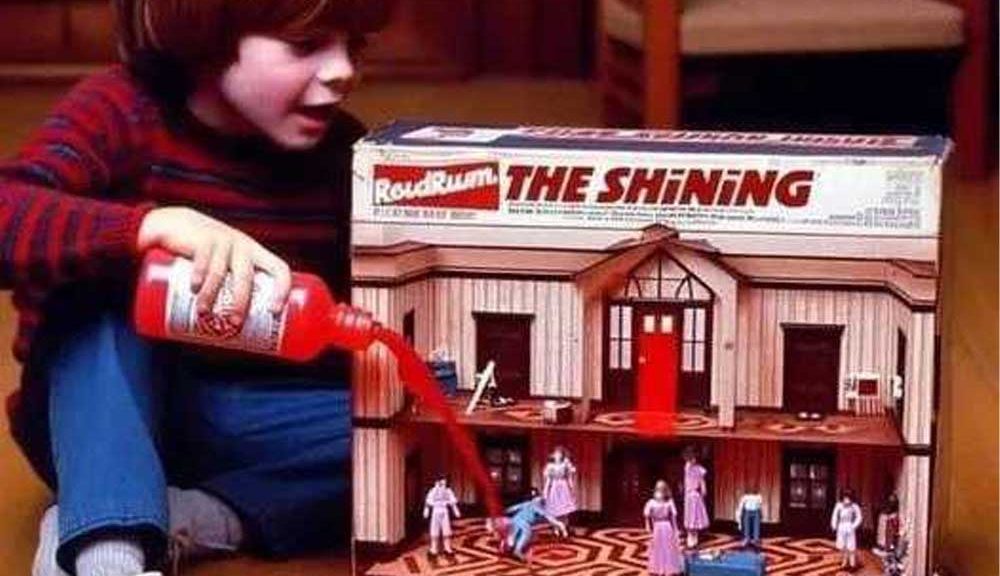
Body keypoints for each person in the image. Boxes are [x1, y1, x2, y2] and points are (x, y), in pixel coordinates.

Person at [0, 1, 389, 575]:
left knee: (426, 425)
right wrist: (144, 229)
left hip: (249, 418)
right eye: (306, 45)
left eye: (354, 45)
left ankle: (195, 518)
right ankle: (109, 549)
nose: (343, 71)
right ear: (208, 37)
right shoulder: (123, 110)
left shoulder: (341, 155)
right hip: (100, 416)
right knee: (101, 298)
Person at [501, 488, 567, 562]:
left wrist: (503, 512)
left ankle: (509, 545)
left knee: (514, 534)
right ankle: (517, 549)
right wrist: (558, 523)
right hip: (523, 523)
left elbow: (512, 509)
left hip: (515, 520)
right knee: (526, 533)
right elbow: (548, 517)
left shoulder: (527, 504)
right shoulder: (537, 508)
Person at [644, 480, 684, 576]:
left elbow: (674, 516)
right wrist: (648, 526)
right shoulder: (651, 502)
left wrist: (675, 529)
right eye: (657, 488)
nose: (659, 491)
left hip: (667, 527)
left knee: (668, 547)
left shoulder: (669, 502)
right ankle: (658, 568)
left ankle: (669, 568)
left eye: (661, 489)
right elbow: (646, 515)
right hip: (657, 527)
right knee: (657, 547)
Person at [542, 446, 577, 534]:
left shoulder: (565, 465)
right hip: (554, 487)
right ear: (553, 455)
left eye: (560, 454)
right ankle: (556, 528)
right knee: (555, 509)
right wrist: (545, 491)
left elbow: (569, 478)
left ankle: (564, 527)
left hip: (564, 486)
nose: (558, 456)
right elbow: (548, 481)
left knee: (565, 510)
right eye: (556, 454)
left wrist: (572, 489)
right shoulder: (550, 466)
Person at [423, 477, 461, 557]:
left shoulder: (448, 491)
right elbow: (428, 502)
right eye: (441, 482)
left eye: (444, 483)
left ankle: (447, 548)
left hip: (444, 511)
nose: (443, 484)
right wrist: (426, 511)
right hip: (436, 511)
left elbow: (453, 502)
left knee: (446, 530)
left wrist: (456, 511)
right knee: (434, 530)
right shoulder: (433, 491)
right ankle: (434, 549)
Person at [682, 447, 710, 548]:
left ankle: (695, 537)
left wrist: (703, 491)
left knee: (695, 516)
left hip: (695, 495)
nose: (693, 460)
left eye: (695, 457)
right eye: (692, 458)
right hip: (689, 495)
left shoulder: (700, 469)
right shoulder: (687, 467)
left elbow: (702, 482)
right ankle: (690, 536)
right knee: (690, 516)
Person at [831, 489, 864, 571]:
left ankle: (852, 564)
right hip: (841, 526)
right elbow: (834, 515)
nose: (846, 499)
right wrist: (834, 525)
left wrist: (854, 526)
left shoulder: (854, 506)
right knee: (843, 546)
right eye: (845, 497)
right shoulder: (839, 505)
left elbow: (859, 517)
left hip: (849, 526)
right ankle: (844, 562)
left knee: (851, 546)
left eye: (848, 497)